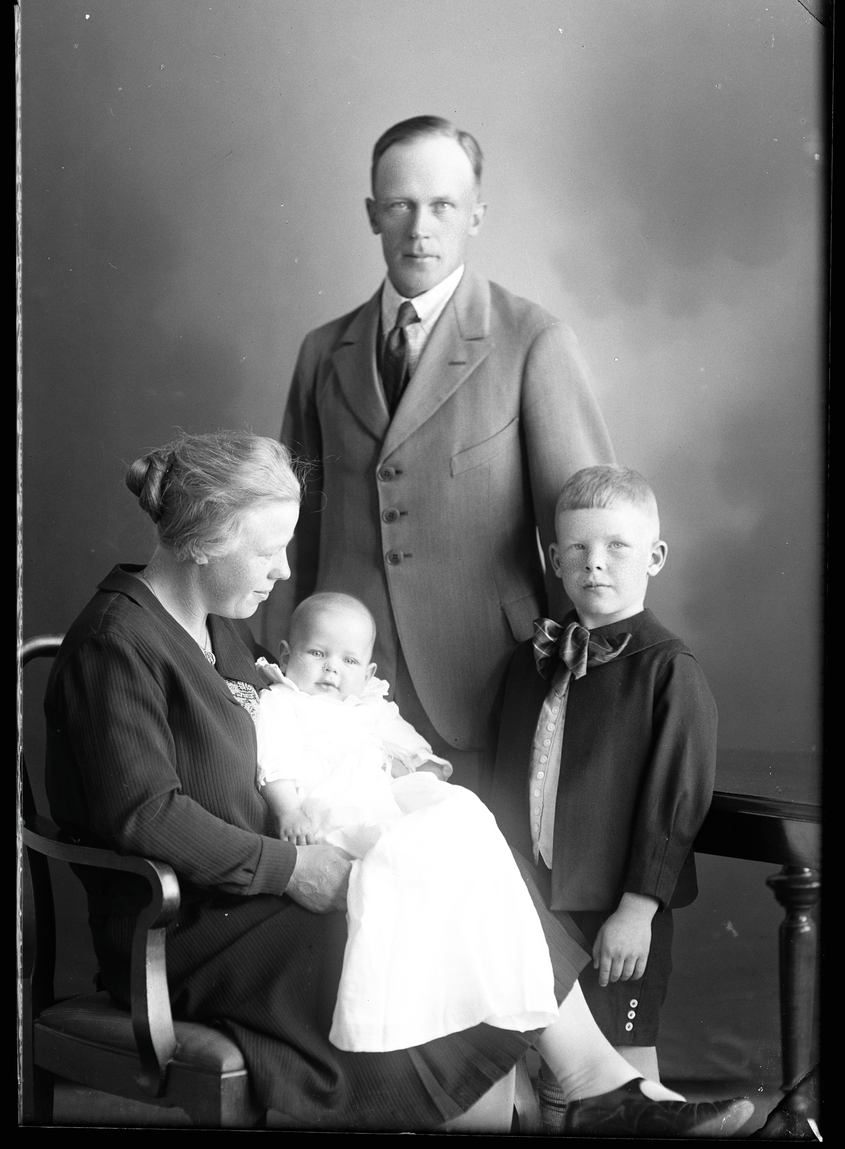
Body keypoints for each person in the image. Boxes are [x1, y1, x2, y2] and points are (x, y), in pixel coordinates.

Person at [44, 431, 751, 1134]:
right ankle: (602, 1096)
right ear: (202, 543)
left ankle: (600, 1087)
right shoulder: (116, 645)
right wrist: (293, 870)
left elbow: (302, 724)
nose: (284, 572)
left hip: (260, 889)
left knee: (460, 863)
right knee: (434, 951)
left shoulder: (219, 630)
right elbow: (146, 816)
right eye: (266, 551)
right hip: (189, 927)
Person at [273, 115, 615, 795]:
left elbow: (584, 533)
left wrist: (583, 688)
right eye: (399, 204)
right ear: (372, 213)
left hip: (486, 682)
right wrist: (276, 665)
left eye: (443, 206)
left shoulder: (533, 340)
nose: (419, 228)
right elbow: (289, 531)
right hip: (339, 690)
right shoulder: (323, 351)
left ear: (476, 215)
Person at [489, 465, 718, 1131]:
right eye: (579, 548)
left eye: (617, 546)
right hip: (533, 897)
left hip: (616, 909)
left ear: (654, 556)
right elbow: (504, 780)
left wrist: (637, 909)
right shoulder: (527, 662)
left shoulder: (669, 669)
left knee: (622, 1057)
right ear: (554, 559)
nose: (595, 563)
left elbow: (675, 802)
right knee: (546, 1059)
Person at [254, 591, 559, 1055]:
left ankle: (493, 973)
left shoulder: (370, 705)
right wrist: (288, 811)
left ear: (368, 672)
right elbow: (275, 764)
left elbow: (414, 750)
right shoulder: (281, 701)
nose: (331, 669)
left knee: (462, 809)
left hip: (379, 799)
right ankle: (409, 1003)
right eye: (317, 653)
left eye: (349, 660)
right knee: (400, 855)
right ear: (285, 654)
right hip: (330, 809)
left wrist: (418, 765)